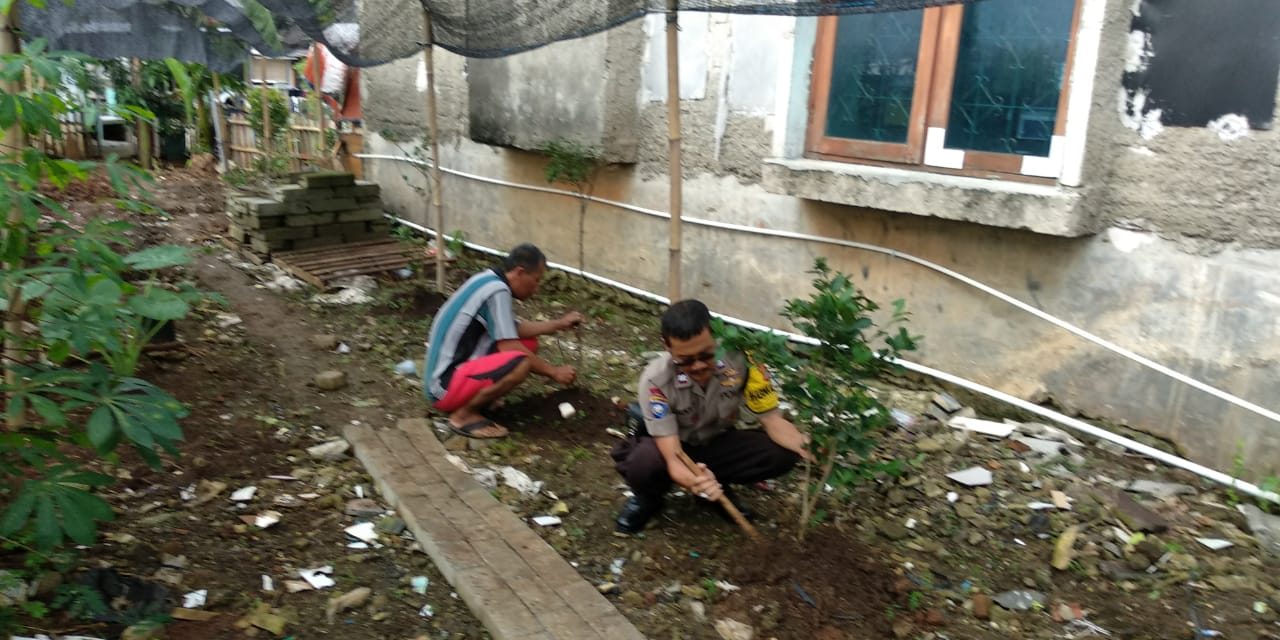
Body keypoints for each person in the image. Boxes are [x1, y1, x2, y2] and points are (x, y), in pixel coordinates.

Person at [611, 299, 811, 534]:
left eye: (706, 355)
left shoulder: (743, 361)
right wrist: (697, 483)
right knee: (642, 463)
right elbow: (674, 459)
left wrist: (806, 447)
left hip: (716, 442)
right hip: (673, 448)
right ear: (667, 346)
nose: (697, 366)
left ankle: (718, 485)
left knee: (782, 453)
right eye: (685, 360)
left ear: (716, 337)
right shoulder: (656, 381)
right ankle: (649, 499)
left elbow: (772, 419)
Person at [423, 243, 582, 439]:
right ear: (520, 272)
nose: (536, 288)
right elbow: (510, 346)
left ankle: (479, 400)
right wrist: (554, 372)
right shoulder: (497, 291)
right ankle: (463, 415)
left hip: (448, 374)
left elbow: (515, 330)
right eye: (536, 280)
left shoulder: (488, 279)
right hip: (443, 387)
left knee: (529, 344)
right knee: (520, 362)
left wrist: (559, 324)